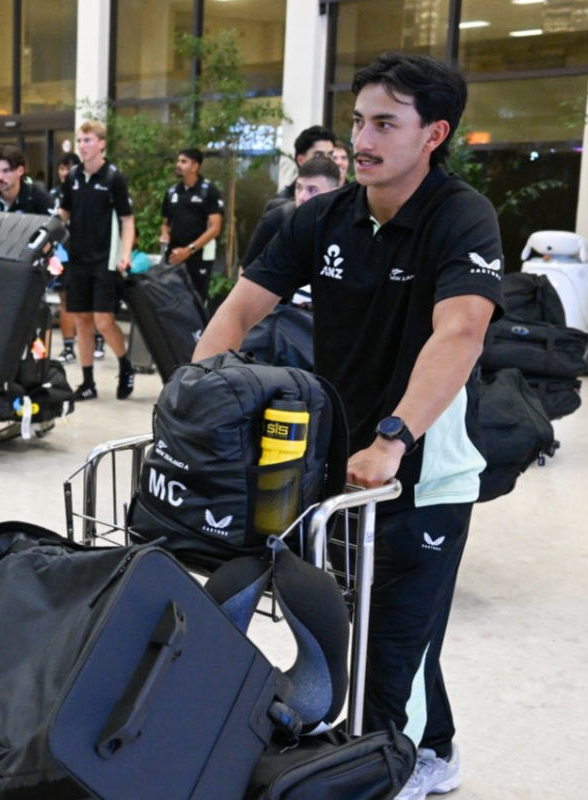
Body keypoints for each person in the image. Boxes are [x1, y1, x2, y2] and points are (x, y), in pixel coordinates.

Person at [192, 53, 503, 800]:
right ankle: (433, 746)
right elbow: (240, 309)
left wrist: (395, 437)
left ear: (434, 134)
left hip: (423, 469)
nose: (360, 139)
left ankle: (403, 764)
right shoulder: (322, 218)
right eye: (359, 120)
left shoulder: (461, 217)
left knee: (391, 652)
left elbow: (460, 333)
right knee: (374, 629)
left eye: (384, 124)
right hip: (339, 462)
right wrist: (191, 399)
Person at [58, 120, 136, 400]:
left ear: (101, 144)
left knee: (104, 321)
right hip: (77, 260)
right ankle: (88, 382)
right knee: (82, 320)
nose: (82, 145)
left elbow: (127, 220)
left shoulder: (114, 177)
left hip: (104, 261)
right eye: (80, 140)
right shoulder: (74, 176)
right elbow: (64, 213)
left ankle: (125, 364)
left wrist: (124, 255)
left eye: (88, 140)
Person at [241, 156, 343, 270]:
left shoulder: (346, 226)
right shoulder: (275, 220)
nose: (302, 197)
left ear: (334, 193)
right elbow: (246, 271)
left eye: (312, 190)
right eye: (298, 188)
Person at [160, 148, 224, 300]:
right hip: (174, 255)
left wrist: (189, 250)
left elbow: (215, 228)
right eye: (178, 161)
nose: (178, 164)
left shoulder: (208, 191)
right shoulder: (172, 192)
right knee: (172, 300)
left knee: (196, 301)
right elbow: (165, 223)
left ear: (195, 166)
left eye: (183, 161)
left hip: (198, 256)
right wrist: (164, 234)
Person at [50, 152, 82, 364]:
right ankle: (68, 347)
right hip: (61, 252)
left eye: (69, 168)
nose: (65, 173)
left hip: (83, 251)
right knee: (64, 299)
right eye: (62, 168)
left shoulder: (83, 190)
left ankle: (96, 339)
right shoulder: (53, 194)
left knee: (86, 301)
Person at [264, 125, 339, 212]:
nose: (327, 161)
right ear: (301, 160)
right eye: (319, 155)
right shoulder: (280, 208)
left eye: (330, 155)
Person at [0, 145, 53, 214]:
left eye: (6, 171)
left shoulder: (38, 198)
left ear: (20, 171)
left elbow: (55, 228)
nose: (0, 177)